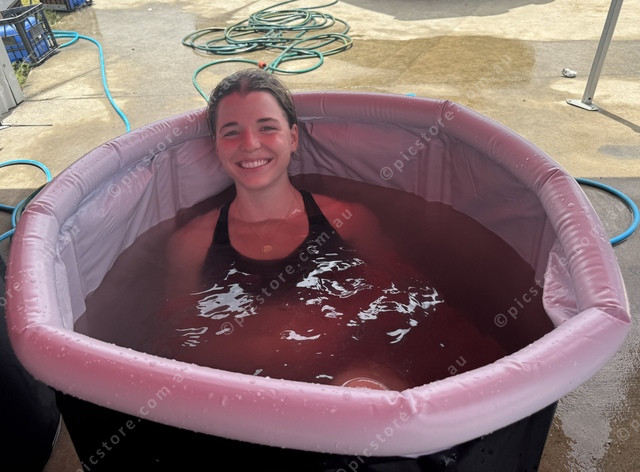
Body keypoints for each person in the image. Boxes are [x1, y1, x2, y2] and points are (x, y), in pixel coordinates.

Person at [159, 69, 447, 391]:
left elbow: (408, 294)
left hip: (347, 372)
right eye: (231, 132)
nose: (250, 144)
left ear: (293, 137)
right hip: (241, 388)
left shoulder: (349, 220)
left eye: (267, 128)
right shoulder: (191, 243)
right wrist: (280, 338)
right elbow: (181, 339)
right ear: (216, 146)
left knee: (364, 390)